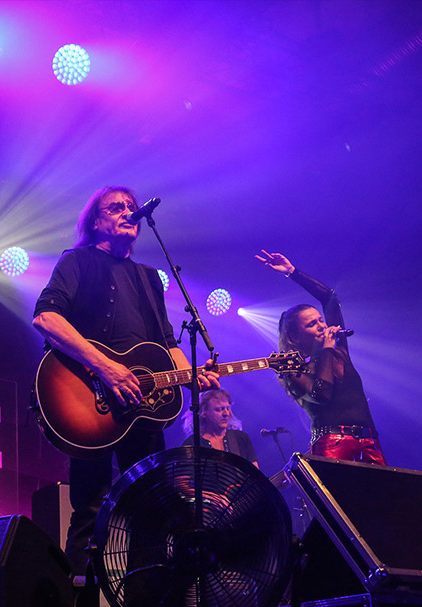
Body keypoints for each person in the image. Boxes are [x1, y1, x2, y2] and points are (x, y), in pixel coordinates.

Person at [33, 186, 220, 585]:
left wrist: (192, 379)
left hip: (144, 408)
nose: (128, 212)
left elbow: (168, 342)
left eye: (131, 208)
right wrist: (107, 369)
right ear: (96, 220)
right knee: (89, 509)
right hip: (89, 399)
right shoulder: (77, 261)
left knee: (152, 512)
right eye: (116, 207)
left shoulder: (150, 279)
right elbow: (47, 320)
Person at [256, 250, 386, 465]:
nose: (321, 325)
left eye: (320, 320)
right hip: (332, 446)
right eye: (311, 324)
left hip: (370, 442)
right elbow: (321, 393)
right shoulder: (293, 369)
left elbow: (330, 298)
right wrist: (326, 349)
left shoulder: (339, 350)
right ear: (296, 337)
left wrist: (292, 272)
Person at [180, 389, 258, 468]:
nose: (226, 414)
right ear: (204, 413)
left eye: (228, 408)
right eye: (219, 409)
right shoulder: (191, 444)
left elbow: (256, 476)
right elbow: (182, 479)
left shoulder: (240, 438)